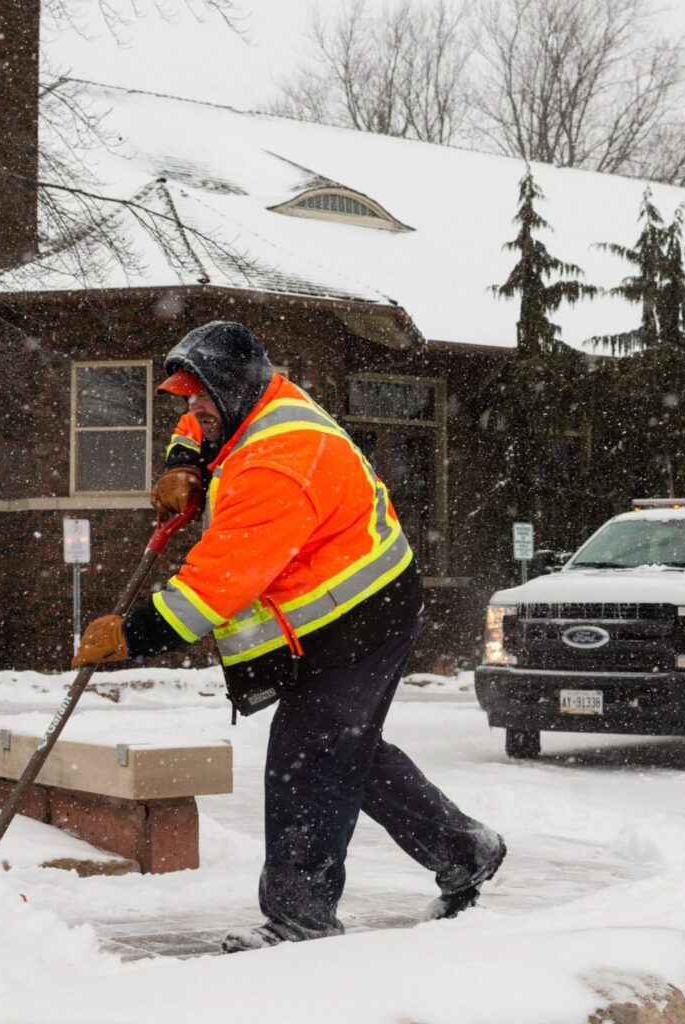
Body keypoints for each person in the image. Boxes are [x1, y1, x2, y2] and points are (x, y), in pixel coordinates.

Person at [72, 321, 505, 952]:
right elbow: (199, 422)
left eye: (200, 399)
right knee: (345, 750)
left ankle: (300, 920)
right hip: (326, 613)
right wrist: (185, 462)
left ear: (233, 390)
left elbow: (207, 595)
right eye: (186, 400)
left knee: (310, 757)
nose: (191, 410)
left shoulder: (276, 464)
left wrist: (129, 636)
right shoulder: (248, 402)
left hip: (362, 616)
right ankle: (465, 848)